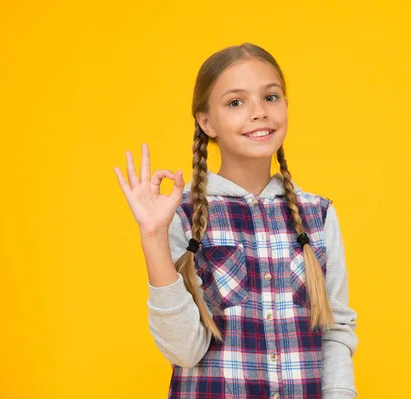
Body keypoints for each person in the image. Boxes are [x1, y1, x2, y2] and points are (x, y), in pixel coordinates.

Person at [113, 42, 358, 399]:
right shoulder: (180, 216)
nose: (258, 112)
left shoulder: (317, 215)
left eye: (270, 97)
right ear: (206, 121)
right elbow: (184, 350)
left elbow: (334, 332)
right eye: (236, 102)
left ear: (286, 105)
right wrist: (153, 235)